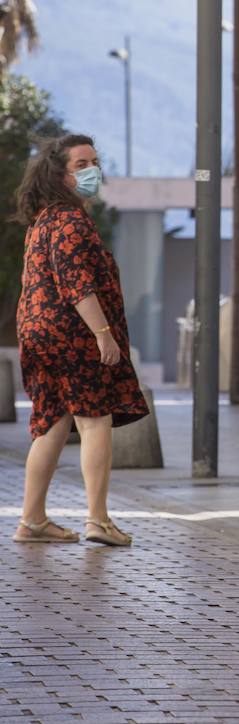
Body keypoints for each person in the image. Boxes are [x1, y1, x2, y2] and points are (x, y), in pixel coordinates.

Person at [12, 135, 148, 547]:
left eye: (94, 161)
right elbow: (77, 286)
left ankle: (32, 520)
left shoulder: (43, 220)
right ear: (60, 174)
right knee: (95, 420)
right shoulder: (70, 220)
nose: (92, 171)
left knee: (52, 421)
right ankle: (98, 520)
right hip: (70, 333)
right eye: (81, 164)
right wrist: (103, 335)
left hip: (37, 331)